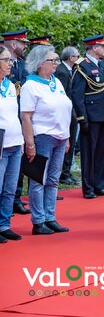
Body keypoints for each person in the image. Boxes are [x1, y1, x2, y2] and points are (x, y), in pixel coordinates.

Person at [20, 44, 72, 235]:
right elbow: (26, 117)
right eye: (53, 60)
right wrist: (30, 143)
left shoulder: (55, 82)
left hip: (60, 136)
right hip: (42, 136)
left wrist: (67, 137)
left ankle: (50, 217)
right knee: (38, 180)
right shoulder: (30, 86)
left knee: (53, 179)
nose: (56, 63)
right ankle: (38, 220)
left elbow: (64, 109)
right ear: (41, 63)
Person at [71, 35, 104, 199]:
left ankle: (99, 185)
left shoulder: (100, 64)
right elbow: (77, 95)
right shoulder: (81, 66)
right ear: (94, 48)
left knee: (101, 153)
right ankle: (88, 188)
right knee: (89, 153)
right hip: (90, 116)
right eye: (102, 46)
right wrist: (82, 118)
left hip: (103, 114)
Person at [1, 29, 29, 215]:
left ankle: (14, 201)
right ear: (13, 44)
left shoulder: (20, 67)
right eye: (22, 43)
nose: (25, 46)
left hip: (16, 125)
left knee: (14, 175)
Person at [0, 46, 24, 242]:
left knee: (10, 188)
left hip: (15, 142)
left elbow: (15, 114)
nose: (10, 63)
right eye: (6, 60)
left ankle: (4, 224)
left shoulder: (9, 85)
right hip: (1, 145)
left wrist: (22, 140)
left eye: (10, 60)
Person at [54, 46, 79, 186]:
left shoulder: (68, 70)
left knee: (71, 143)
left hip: (71, 111)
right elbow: (63, 95)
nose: (78, 58)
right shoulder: (62, 71)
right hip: (67, 112)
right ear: (71, 58)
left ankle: (67, 172)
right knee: (66, 144)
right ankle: (64, 173)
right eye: (77, 56)